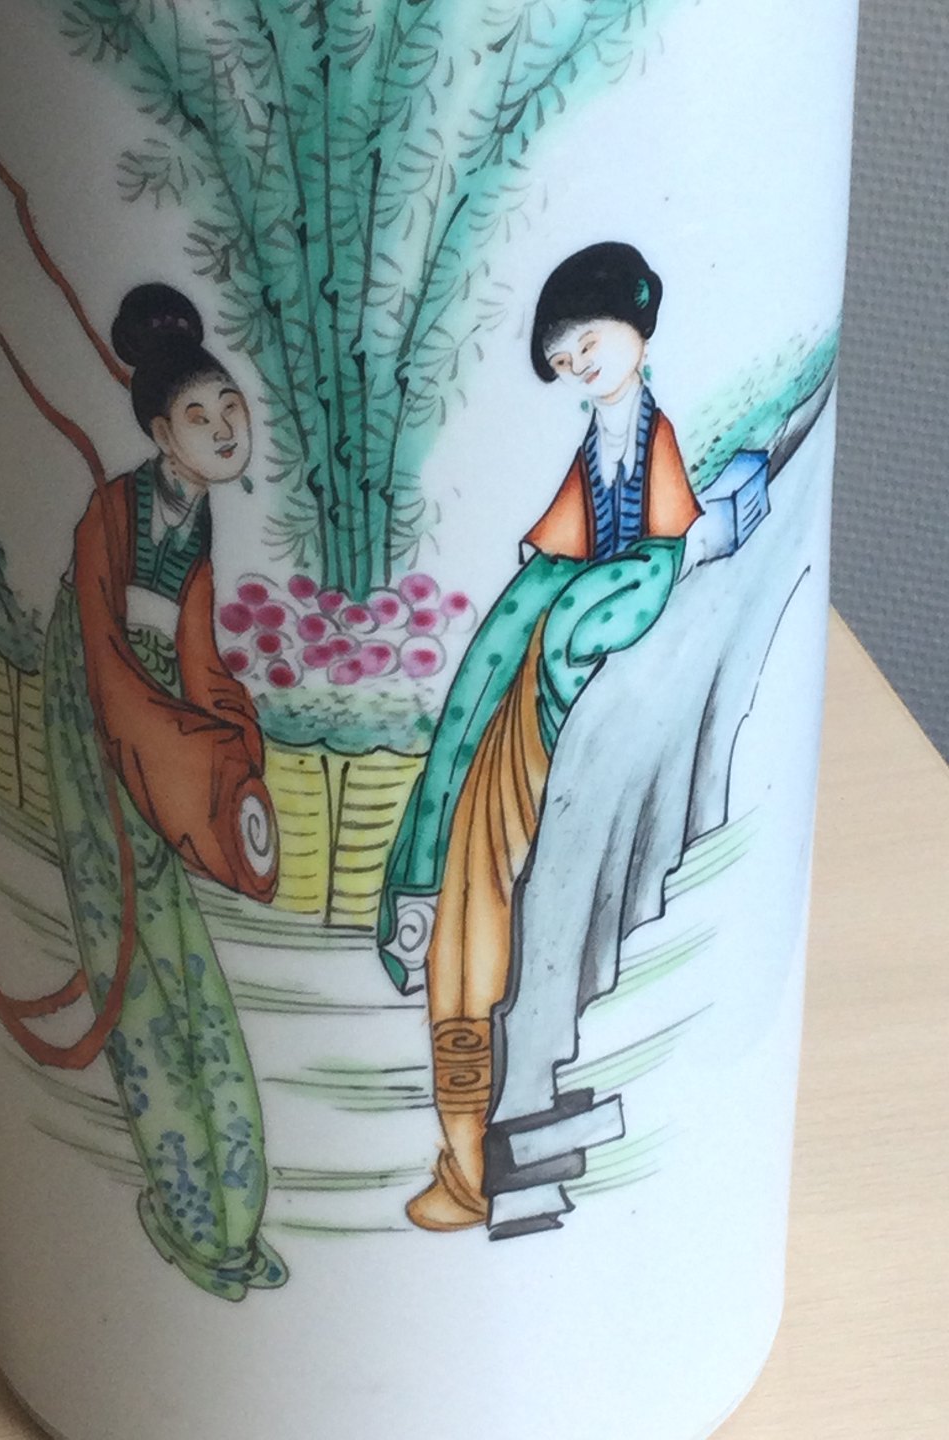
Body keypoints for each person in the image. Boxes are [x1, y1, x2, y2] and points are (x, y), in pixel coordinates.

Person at [379, 243, 701, 1232]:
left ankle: (481, 1160)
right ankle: (462, 1160)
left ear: (635, 331)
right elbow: (558, 548)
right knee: (505, 666)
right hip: (538, 679)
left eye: (587, 342)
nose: (578, 365)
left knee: (551, 633)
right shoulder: (597, 444)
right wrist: (549, 592)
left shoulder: (651, 435)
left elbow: (659, 552)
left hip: (589, 642)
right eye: (563, 358)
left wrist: (571, 619)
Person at [42, 284, 286, 1297]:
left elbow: (197, 652)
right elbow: (105, 655)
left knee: (178, 940)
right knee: (128, 936)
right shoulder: (115, 510)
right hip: (94, 717)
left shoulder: (200, 520)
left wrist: (234, 742)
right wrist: (176, 750)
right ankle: (190, 1208)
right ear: (158, 433)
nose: (224, 428)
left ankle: (233, 1207)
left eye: (231, 408)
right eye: (199, 415)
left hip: (153, 719)